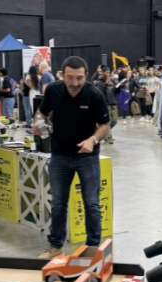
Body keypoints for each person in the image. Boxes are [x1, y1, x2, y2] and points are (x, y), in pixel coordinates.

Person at [34, 56, 110, 259]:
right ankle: (55, 246)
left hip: (87, 157)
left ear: (86, 76)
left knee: (91, 203)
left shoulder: (94, 94)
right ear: (62, 75)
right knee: (59, 203)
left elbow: (105, 125)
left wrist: (92, 140)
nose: (75, 83)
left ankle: (92, 249)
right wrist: (39, 123)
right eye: (70, 78)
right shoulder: (52, 90)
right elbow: (42, 113)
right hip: (59, 155)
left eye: (79, 78)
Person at [95, 66, 119, 144]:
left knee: (115, 121)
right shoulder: (99, 82)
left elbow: (116, 90)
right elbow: (100, 92)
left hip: (113, 102)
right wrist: (106, 84)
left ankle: (104, 132)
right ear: (103, 73)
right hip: (106, 104)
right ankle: (109, 138)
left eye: (109, 72)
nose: (108, 74)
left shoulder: (112, 81)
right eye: (107, 72)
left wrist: (119, 86)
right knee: (108, 121)